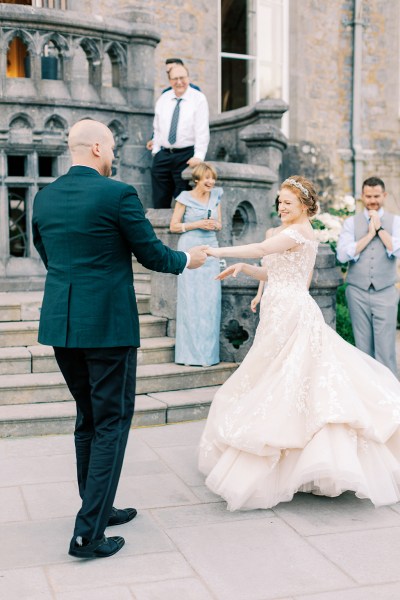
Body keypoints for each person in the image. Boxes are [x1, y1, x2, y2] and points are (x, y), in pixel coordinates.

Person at [32, 119, 208, 559]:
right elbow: (153, 255)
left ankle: (99, 507)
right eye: (111, 147)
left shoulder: (44, 197)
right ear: (95, 148)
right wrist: (190, 258)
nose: (113, 154)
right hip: (108, 327)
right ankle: (88, 534)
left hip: (62, 325)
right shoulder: (118, 194)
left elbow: (48, 256)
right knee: (110, 423)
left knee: (87, 421)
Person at [198, 175, 400, 512]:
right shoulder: (289, 234)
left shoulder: (300, 232)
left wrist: (214, 250)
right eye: (279, 202)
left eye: (288, 203)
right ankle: (293, 463)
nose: (281, 207)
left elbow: (264, 250)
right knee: (281, 382)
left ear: (305, 206)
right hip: (277, 312)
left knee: (288, 380)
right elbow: (274, 270)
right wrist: (245, 268)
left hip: (292, 314)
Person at [336, 176, 400, 376]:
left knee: (386, 346)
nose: (372, 200)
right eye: (368, 196)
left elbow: (396, 249)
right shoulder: (350, 223)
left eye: (376, 196)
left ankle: (390, 393)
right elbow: (342, 254)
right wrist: (369, 235)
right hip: (357, 291)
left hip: (386, 290)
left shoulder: (396, 221)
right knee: (362, 346)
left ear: (384, 196)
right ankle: (367, 393)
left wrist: (379, 228)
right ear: (362, 196)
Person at [170, 162, 222, 366]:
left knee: (210, 302)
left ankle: (208, 356)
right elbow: (173, 226)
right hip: (190, 250)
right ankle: (188, 356)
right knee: (190, 302)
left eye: (213, 178)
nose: (211, 181)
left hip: (211, 249)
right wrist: (197, 224)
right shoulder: (184, 198)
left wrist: (214, 225)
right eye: (207, 178)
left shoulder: (217, 195)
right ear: (197, 179)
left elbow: (220, 224)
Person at [151, 63, 209, 209]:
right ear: (170, 81)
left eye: (182, 78)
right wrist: (156, 151)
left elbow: (202, 129)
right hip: (163, 156)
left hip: (186, 156)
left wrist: (199, 156)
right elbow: (157, 128)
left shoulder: (198, 98)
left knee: (183, 200)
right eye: (175, 78)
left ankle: (180, 230)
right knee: (160, 200)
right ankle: (159, 231)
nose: (179, 82)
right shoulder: (163, 99)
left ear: (188, 78)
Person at [146, 58, 201, 151]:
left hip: (187, 150)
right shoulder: (166, 94)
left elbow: (199, 122)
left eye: (172, 69)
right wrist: (154, 140)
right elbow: (162, 120)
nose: (170, 73)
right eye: (168, 71)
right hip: (165, 151)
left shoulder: (195, 93)